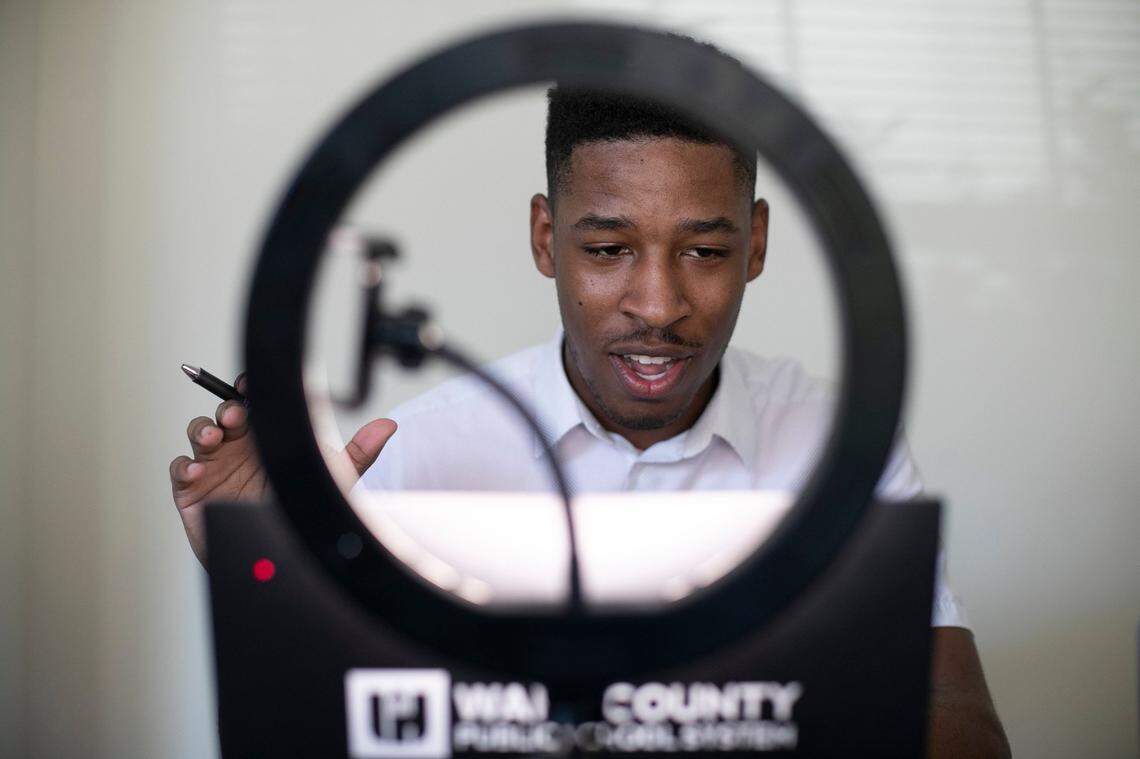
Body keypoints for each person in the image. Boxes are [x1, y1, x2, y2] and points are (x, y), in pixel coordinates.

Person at [169, 84, 1011, 757]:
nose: (658, 305)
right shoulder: (420, 451)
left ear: (755, 243)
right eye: (607, 250)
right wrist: (264, 579)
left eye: (706, 251)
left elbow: (963, 721)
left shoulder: (841, 447)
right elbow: (336, 726)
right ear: (546, 238)